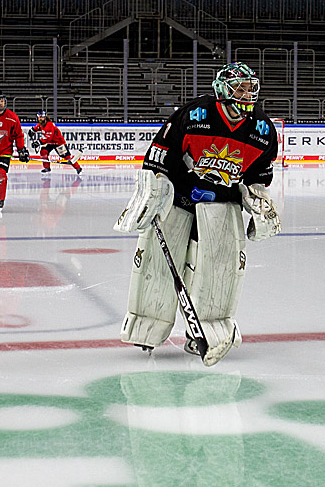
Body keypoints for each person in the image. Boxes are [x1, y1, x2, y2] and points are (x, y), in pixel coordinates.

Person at [113, 62, 281, 366]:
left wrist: (258, 201)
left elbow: (258, 175)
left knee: (221, 270)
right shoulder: (194, 114)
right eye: (239, 88)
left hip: (222, 202)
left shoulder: (263, 130)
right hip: (178, 198)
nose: (246, 94)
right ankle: (147, 325)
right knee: (156, 263)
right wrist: (151, 192)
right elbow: (160, 155)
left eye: (249, 88)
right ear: (223, 88)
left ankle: (211, 330)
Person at [30, 110, 83, 175]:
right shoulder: (41, 125)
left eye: (42, 117)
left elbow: (48, 138)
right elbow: (37, 128)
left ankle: (78, 168)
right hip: (50, 143)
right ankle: (47, 167)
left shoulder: (49, 125)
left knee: (67, 157)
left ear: (45, 117)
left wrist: (38, 142)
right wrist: (32, 130)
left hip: (58, 142)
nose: (40, 119)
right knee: (43, 152)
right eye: (39, 117)